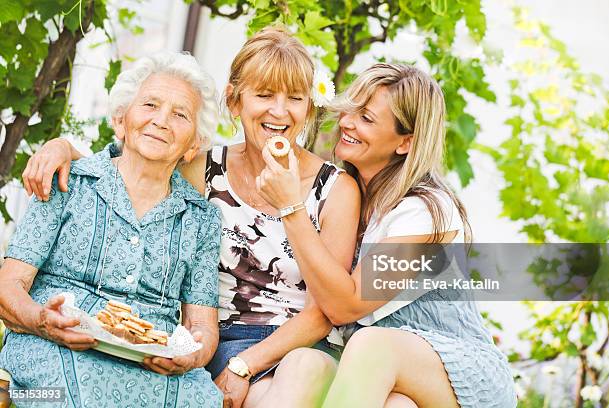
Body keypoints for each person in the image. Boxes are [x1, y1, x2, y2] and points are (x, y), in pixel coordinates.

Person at [21, 27, 359, 408]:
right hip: (216, 339)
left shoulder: (336, 189)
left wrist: (243, 366)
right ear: (234, 102)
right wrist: (62, 147)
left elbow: (327, 311)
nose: (279, 111)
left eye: (294, 99)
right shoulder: (204, 168)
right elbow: (135, 163)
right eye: (264, 95)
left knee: (294, 378)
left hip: (293, 346)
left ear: (308, 108)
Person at [257, 63, 517, 407]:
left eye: (366, 118)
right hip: (381, 372)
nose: (347, 123)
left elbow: (345, 305)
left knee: (373, 344)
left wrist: (292, 208)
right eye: (351, 109)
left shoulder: (424, 212)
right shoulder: (345, 194)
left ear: (405, 142)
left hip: (457, 372)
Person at [0, 52, 224, 406]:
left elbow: (203, 327)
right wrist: (41, 321)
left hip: (151, 364)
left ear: (194, 144)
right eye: (150, 104)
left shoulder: (202, 219)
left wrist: (192, 356)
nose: (161, 121)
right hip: (54, 348)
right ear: (121, 121)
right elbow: (8, 285)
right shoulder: (67, 180)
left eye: (180, 114)